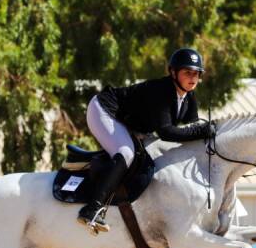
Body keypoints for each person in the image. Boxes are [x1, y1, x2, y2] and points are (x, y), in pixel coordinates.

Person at [78, 47, 216, 232]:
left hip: (130, 122)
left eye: (196, 73)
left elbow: (192, 129)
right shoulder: (162, 91)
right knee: (126, 153)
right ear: (173, 73)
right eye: (187, 72)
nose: (193, 78)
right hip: (104, 110)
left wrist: (207, 132)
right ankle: (91, 209)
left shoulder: (188, 97)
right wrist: (202, 131)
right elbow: (167, 133)